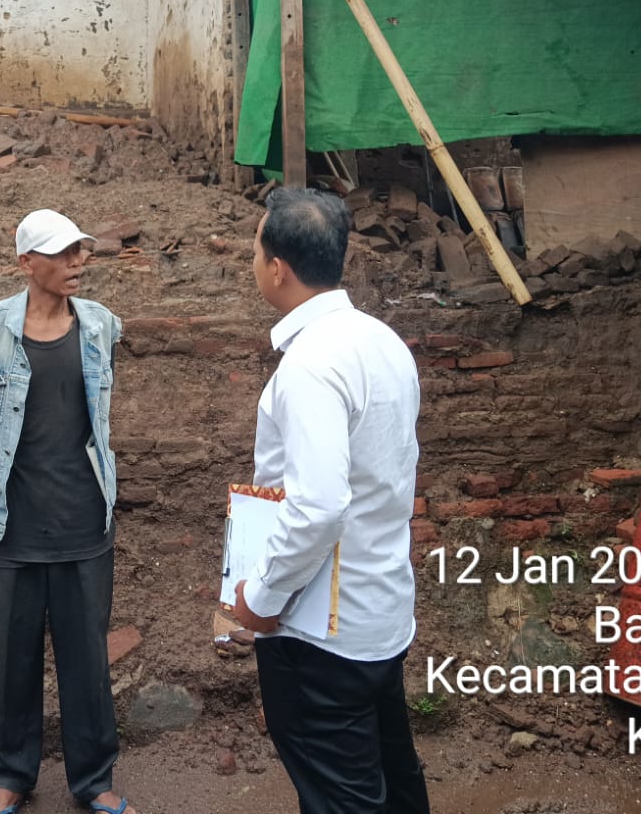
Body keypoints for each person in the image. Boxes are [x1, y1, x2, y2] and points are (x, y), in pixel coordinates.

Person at [231, 188, 430, 814]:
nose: (254, 263)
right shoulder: (381, 341)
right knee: (393, 780)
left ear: (277, 269)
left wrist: (262, 597)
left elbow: (318, 506)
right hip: (380, 613)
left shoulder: (311, 365)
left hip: (321, 635)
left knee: (343, 797)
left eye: (255, 252)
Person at [0, 209, 136, 814]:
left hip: (85, 519)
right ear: (26, 263)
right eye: (60, 252)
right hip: (12, 524)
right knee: (14, 659)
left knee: (87, 660)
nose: (76, 261)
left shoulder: (101, 327)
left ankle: (94, 780)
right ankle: (11, 776)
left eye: (80, 250)